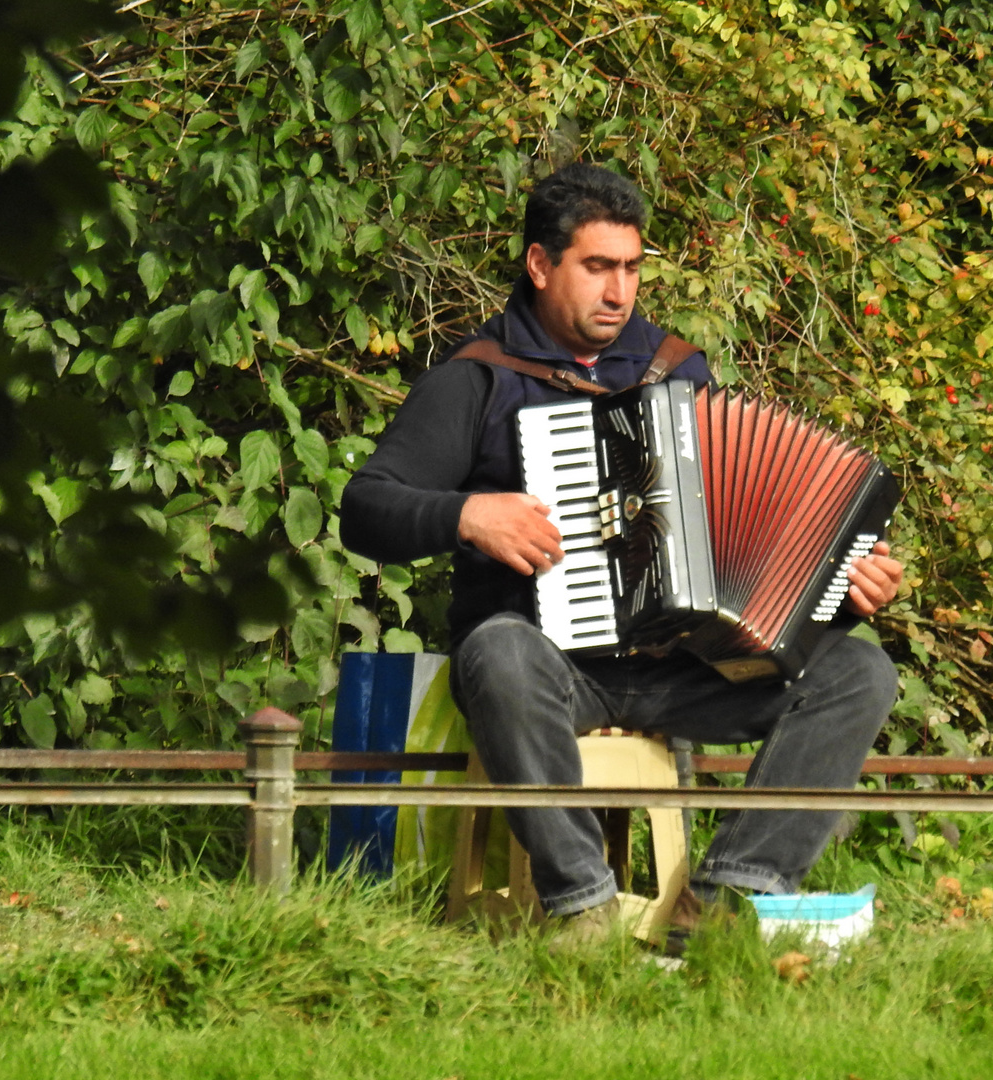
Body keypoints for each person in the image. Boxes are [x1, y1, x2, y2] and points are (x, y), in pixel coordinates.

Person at [340, 163, 903, 950]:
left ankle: (723, 908)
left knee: (859, 671)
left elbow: (748, 545)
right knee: (498, 650)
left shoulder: (675, 373)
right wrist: (467, 513)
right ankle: (582, 909)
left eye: (631, 268)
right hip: (553, 674)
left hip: (682, 671)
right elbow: (365, 508)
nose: (619, 291)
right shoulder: (478, 380)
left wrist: (842, 584)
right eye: (597, 267)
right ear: (540, 265)